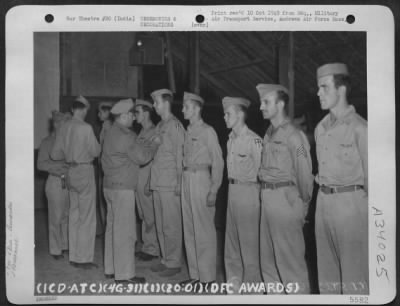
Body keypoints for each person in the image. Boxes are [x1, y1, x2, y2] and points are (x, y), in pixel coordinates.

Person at [314, 63, 368, 294]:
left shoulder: (360, 128)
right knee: (327, 275)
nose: (319, 93)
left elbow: (375, 181)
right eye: (318, 88)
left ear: (342, 90)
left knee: (354, 276)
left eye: (324, 87)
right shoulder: (320, 128)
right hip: (323, 202)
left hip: (351, 205)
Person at [256, 84, 314, 294]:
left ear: (280, 105)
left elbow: (305, 175)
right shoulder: (269, 133)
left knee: (290, 264)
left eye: (266, 102)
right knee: (268, 260)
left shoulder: (294, 137)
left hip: (285, 200)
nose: (261, 106)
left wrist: (302, 204)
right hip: (267, 199)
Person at [102, 98, 160, 284]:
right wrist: (154, 144)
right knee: (125, 232)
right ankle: (125, 275)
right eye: (132, 115)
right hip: (123, 189)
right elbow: (142, 157)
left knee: (112, 230)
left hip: (109, 187)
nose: (134, 119)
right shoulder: (127, 135)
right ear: (124, 115)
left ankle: (111, 269)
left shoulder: (110, 132)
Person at [180, 92, 224, 290]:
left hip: (201, 179)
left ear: (197, 109)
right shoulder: (187, 131)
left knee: (204, 229)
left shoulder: (208, 131)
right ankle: (195, 275)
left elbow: (218, 161)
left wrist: (214, 188)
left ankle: (207, 278)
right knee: (189, 228)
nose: (183, 110)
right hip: (187, 178)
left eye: (186, 107)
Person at [51, 95, 100, 269]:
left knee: (74, 213)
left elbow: (54, 155)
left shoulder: (64, 127)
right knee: (86, 216)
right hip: (84, 170)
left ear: (72, 109)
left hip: (70, 172)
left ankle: (73, 255)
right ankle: (83, 258)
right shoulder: (86, 128)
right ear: (85, 109)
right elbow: (96, 151)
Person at [222, 96, 262, 292]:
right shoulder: (230, 140)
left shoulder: (254, 140)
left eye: (228, 113)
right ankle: (233, 286)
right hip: (232, 192)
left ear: (239, 114)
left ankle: (252, 289)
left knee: (249, 246)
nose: (224, 117)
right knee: (231, 245)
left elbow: (263, 174)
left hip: (249, 194)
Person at [149, 88, 185, 277]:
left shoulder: (175, 126)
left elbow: (181, 156)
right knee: (161, 224)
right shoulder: (159, 126)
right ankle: (165, 258)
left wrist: (180, 182)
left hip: (170, 182)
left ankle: (174, 261)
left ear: (166, 103)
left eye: (157, 102)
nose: (154, 106)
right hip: (158, 182)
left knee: (171, 225)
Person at [37, 111, 71, 260]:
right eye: (64, 123)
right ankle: (55, 250)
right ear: (56, 124)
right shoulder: (47, 142)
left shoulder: (69, 141)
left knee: (66, 216)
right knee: (55, 218)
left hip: (69, 181)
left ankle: (65, 245)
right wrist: (58, 168)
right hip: (55, 182)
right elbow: (40, 164)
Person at [133, 99, 160, 261]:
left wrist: (151, 180)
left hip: (147, 174)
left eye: (138, 112)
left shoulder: (154, 133)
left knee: (150, 215)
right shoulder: (142, 132)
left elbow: (156, 160)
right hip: (138, 175)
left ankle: (152, 249)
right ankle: (147, 245)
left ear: (146, 113)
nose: (135, 115)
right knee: (143, 214)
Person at [97, 101, 113, 236]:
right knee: (103, 200)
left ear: (108, 112)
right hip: (103, 165)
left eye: (101, 112)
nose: (98, 115)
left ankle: (107, 230)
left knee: (104, 199)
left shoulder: (108, 125)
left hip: (105, 166)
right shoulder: (105, 126)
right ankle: (106, 229)